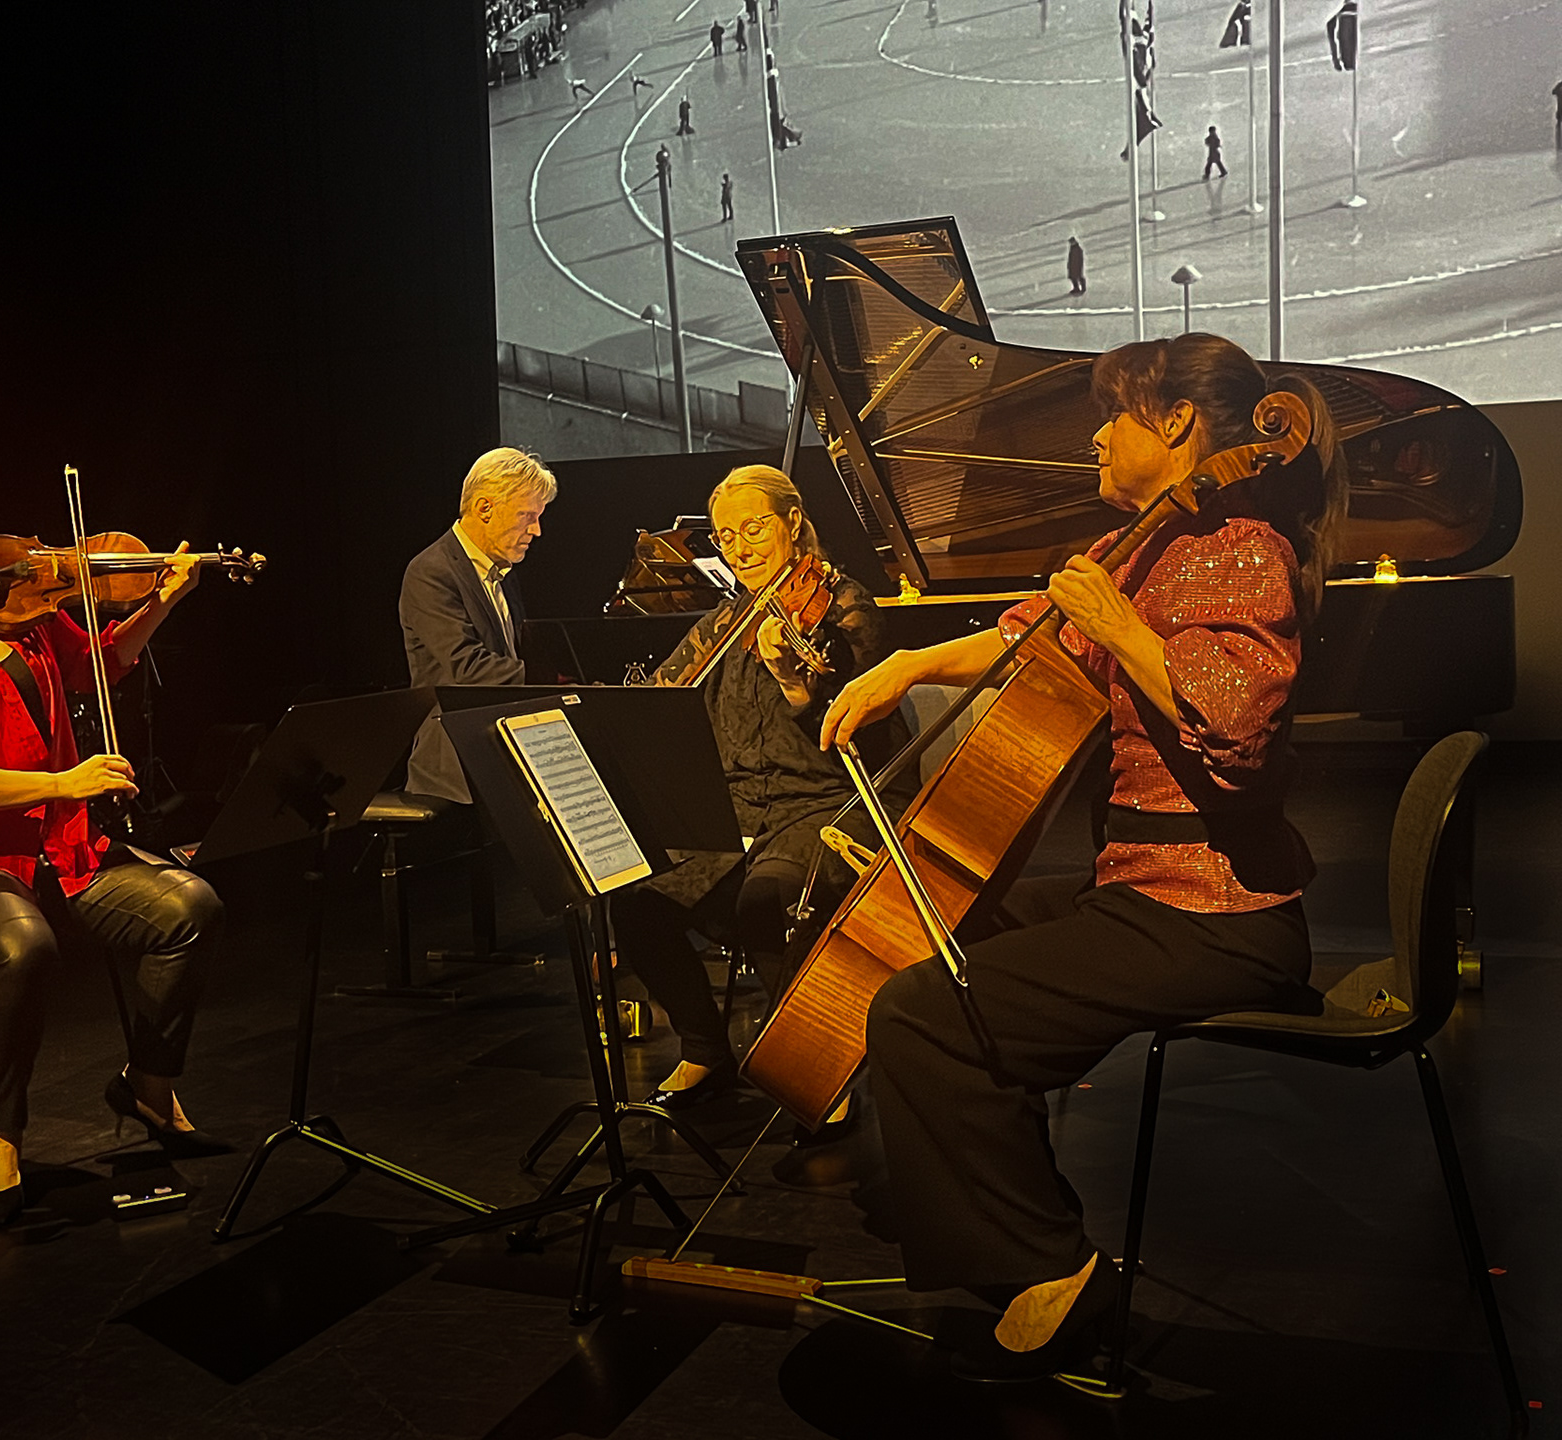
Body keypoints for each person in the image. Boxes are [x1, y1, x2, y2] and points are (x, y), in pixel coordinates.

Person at [823, 333, 1346, 1381]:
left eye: (1116, 414)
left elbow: (1236, 729)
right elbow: (1026, 636)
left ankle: (1048, 1270)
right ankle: (971, 1197)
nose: (1098, 435)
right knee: (941, 938)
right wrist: (909, 665)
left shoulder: (1239, 543)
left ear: (1181, 426)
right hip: (1145, 889)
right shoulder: (1157, 541)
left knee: (930, 1010)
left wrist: (1117, 621)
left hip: (1215, 915)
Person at [0, 459, 229, 1227]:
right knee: (23, 946)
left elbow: (100, 664)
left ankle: (148, 1086)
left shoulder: (18, 603)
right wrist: (65, 784)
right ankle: (1, 1131)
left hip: (56, 845)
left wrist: (167, 599)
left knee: (190, 907)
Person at [613, 466, 909, 1174]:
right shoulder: (721, 622)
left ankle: (816, 1068)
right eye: (725, 535)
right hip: (737, 809)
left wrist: (795, 680)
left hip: (827, 801)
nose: (739, 546)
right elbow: (663, 695)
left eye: (754, 528)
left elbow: (851, 710)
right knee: (632, 894)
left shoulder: (843, 605)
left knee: (768, 895)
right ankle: (705, 1050)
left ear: (794, 523)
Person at [400, 447, 558, 804]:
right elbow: (467, 667)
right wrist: (554, 680)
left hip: (504, 757)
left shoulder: (502, 572)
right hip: (456, 772)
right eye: (527, 516)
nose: (537, 530)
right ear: (485, 508)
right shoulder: (431, 572)